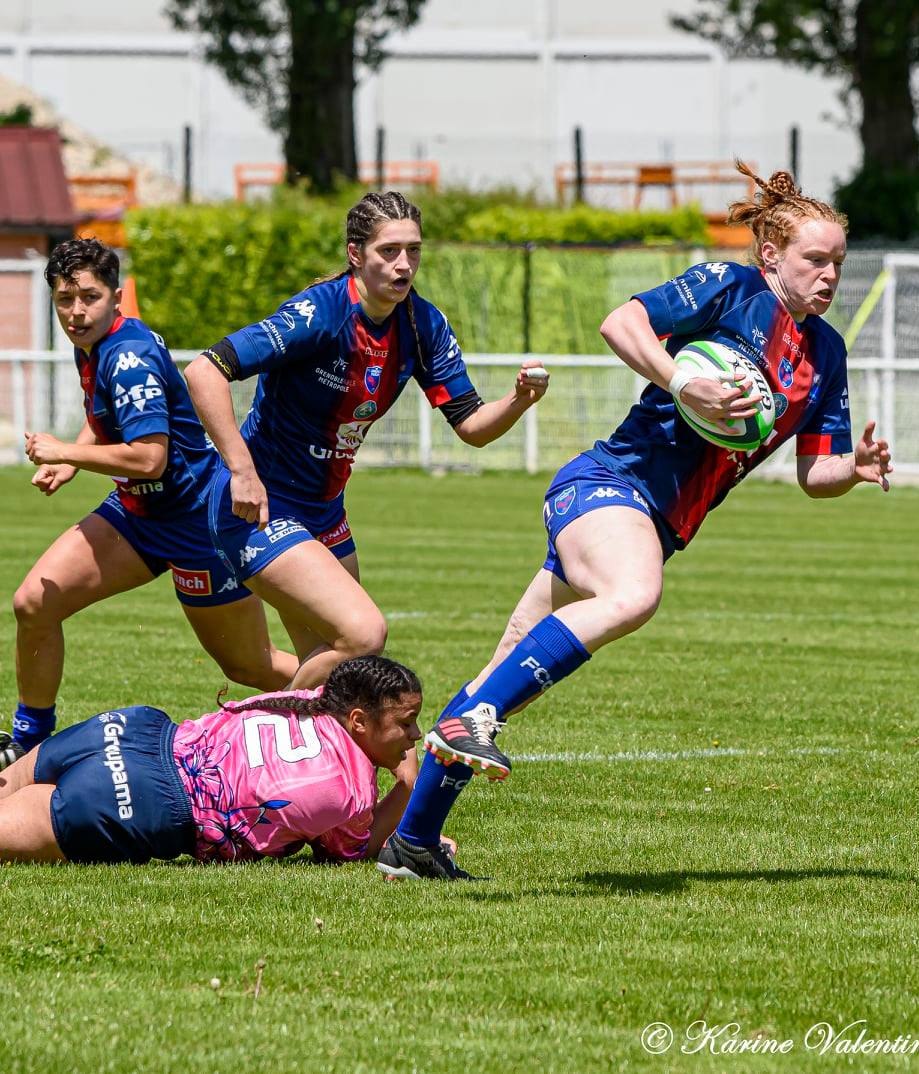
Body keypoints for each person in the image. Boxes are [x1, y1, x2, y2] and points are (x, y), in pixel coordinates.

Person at [375, 162, 893, 880]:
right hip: (605, 485)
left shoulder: (826, 354)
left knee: (504, 670)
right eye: (815, 259)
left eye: (837, 261)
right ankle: (472, 723)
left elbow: (816, 473)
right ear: (772, 256)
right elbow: (621, 321)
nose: (829, 274)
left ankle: (411, 843)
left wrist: (855, 469)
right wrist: (684, 380)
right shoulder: (728, 286)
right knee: (632, 596)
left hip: (656, 523)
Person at [184, 191, 549, 689]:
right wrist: (242, 472)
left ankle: (321, 762)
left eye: (414, 250)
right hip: (261, 506)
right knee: (362, 635)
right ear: (355, 253)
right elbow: (204, 370)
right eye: (389, 251)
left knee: (341, 675)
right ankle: (254, 737)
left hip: (325, 510)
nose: (404, 265)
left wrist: (520, 399)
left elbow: (472, 427)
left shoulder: (423, 324)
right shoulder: (318, 314)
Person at [7, 239, 297, 772]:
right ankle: (27, 737)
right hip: (136, 518)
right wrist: (77, 458)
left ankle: (362, 700)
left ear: (116, 297)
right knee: (34, 603)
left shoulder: (129, 357)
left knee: (250, 667)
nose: (75, 311)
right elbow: (109, 416)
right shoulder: (96, 340)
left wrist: (64, 451)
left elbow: (149, 459)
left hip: (196, 526)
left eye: (89, 297)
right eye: (64, 299)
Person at [0, 655, 426, 866]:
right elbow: (349, 852)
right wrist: (407, 787)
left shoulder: (309, 700)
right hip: (148, 801)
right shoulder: (348, 792)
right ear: (357, 720)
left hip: (134, 729)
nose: (415, 735)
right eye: (406, 723)